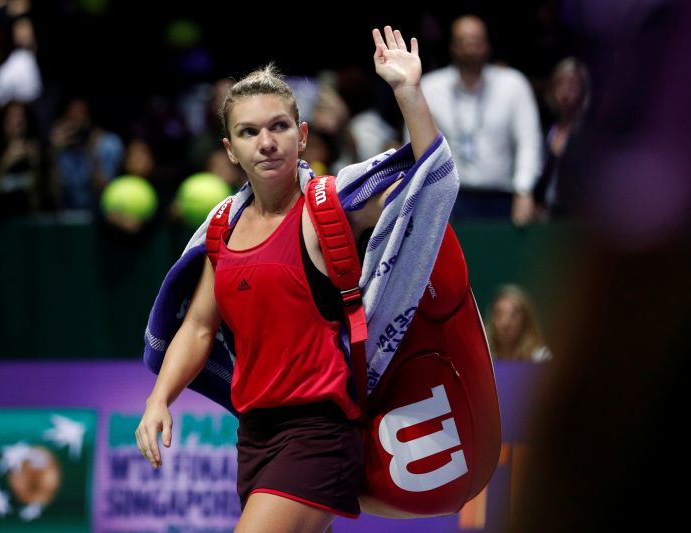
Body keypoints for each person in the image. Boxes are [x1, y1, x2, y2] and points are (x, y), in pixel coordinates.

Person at [136, 26, 444, 533]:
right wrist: (158, 400)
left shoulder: (330, 205)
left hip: (319, 432)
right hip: (254, 435)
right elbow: (196, 328)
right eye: (249, 132)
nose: (266, 141)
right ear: (230, 149)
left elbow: (426, 175)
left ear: (301, 136)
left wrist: (408, 92)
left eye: (279, 126)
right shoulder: (221, 230)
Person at [420, 14, 542, 224]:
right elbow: (419, 147)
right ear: (452, 47)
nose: (470, 47)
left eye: (476, 40)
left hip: (502, 198)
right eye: (463, 41)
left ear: (487, 45)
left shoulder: (512, 84)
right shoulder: (430, 87)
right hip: (449, 199)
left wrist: (524, 190)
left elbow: (528, 142)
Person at [533, 57, 590, 220]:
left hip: (578, 218)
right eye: (561, 84)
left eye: (573, 86)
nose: (566, 92)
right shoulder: (545, 128)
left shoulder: (589, 133)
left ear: (584, 91)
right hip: (547, 215)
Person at [484, 284, 552, 362]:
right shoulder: (484, 357)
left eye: (514, 315)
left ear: (526, 320)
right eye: (499, 314)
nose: (505, 323)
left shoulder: (540, 357)